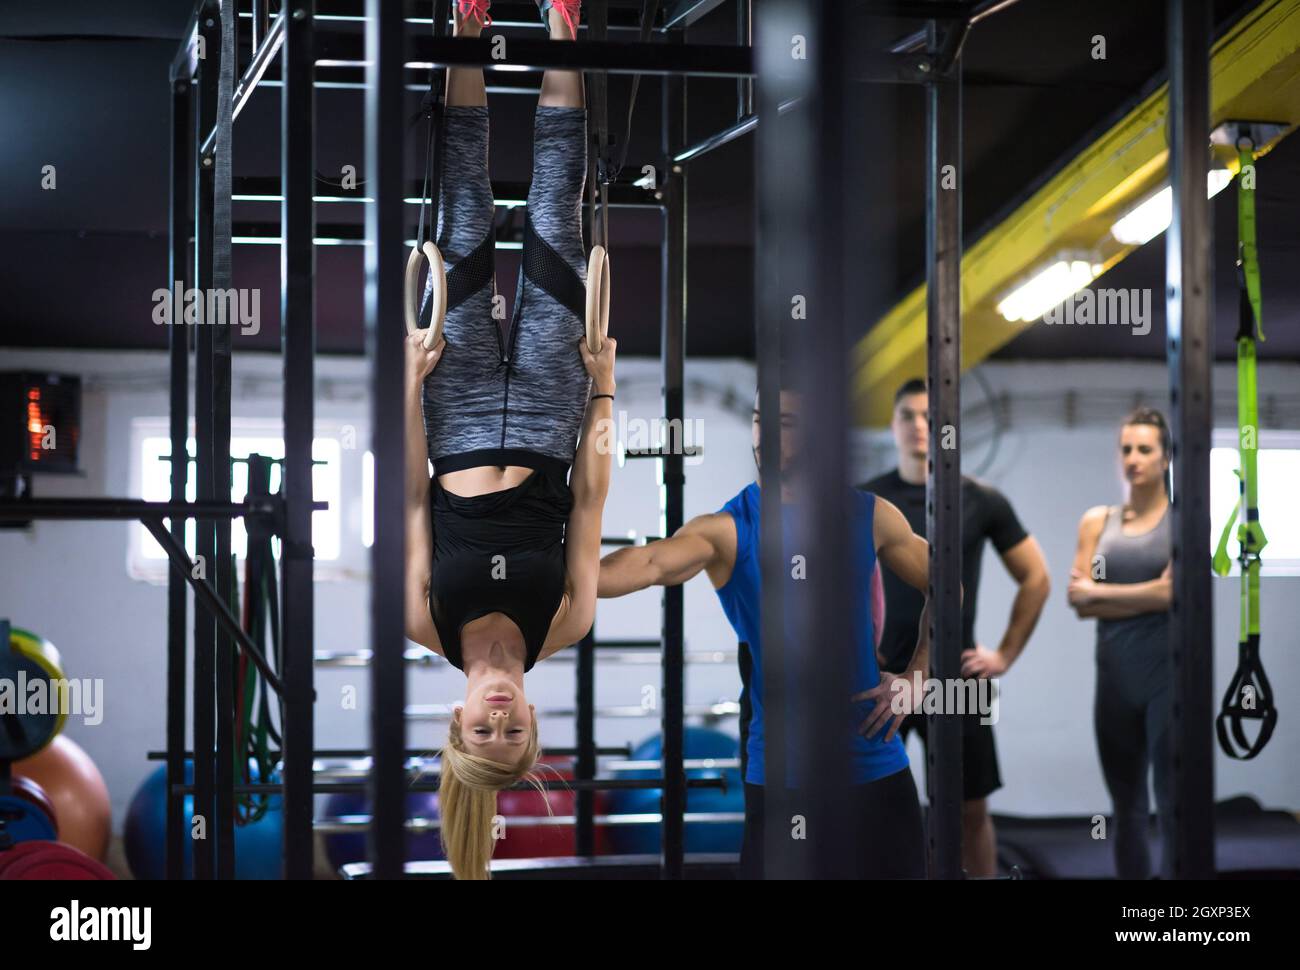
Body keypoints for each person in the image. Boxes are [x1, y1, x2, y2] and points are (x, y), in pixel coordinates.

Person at [403, 0, 614, 880]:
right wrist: (603, 381)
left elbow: (410, 495)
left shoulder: (422, 620)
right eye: (512, 729)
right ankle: (564, 23)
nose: (498, 712)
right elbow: (593, 498)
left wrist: (407, 382)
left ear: (454, 723)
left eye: (483, 729)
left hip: (448, 414)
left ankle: (467, 22)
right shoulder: (569, 621)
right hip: (550, 411)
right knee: (554, 218)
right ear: (536, 722)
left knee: (463, 216)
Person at [599, 389, 932, 879]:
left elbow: (948, 586)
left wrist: (918, 677)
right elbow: (643, 564)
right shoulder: (728, 529)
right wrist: (540, 562)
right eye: (761, 420)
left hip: (873, 761)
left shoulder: (869, 515)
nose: (767, 435)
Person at [861, 378, 1050, 877]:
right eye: (908, 416)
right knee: (870, 809)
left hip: (958, 678)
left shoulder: (980, 500)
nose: (919, 427)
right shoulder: (869, 500)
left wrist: (1004, 655)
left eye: (930, 417)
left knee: (969, 811)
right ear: (892, 424)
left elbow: (1036, 578)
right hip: (884, 679)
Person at [1067, 407, 1173, 879]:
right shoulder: (1097, 521)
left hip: (1167, 679)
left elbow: (1174, 592)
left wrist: (1100, 593)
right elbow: (1078, 601)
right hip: (1113, 680)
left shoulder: (1185, 520)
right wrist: (1148, 598)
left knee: (1173, 803)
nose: (1133, 458)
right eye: (1126, 449)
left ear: (1166, 457)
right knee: (1126, 806)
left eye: (1145, 449)